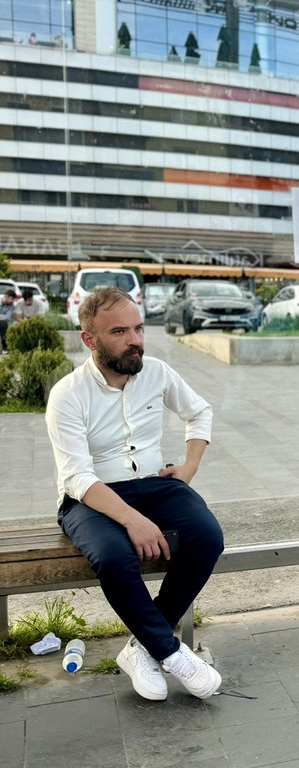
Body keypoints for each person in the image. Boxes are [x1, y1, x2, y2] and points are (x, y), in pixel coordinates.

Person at [44, 287, 224, 702]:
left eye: (139, 328)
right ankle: (171, 652)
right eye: (120, 331)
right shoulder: (67, 395)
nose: (135, 340)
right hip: (90, 497)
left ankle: (141, 647)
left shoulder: (157, 373)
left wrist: (189, 467)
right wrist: (132, 519)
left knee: (206, 537)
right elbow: (76, 477)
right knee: (113, 556)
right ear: (90, 339)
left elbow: (200, 412)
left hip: (155, 483)